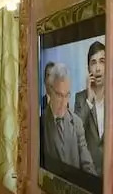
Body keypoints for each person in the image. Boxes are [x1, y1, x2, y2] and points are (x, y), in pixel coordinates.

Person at [43, 62, 97, 174]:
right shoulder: (40, 123)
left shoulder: (77, 123)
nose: (64, 102)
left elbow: (87, 164)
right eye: (59, 95)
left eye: (67, 95)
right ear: (50, 91)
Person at [73, 41, 105, 171]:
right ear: (88, 69)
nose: (98, 68)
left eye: (102, 61)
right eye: (93, 63)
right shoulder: (80, 98)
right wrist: (89, 100)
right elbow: (75, 134)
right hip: (88, 173)